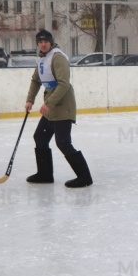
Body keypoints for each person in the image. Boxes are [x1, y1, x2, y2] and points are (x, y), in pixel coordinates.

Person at [24, 29, 92, 188]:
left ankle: (84, 177)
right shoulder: (42, 59)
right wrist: (30, 100)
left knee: (63, 142)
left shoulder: (57, 58)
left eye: (46, 41)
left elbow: (64, 84)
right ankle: (45, 174)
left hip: (62, 106)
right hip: (51, 107)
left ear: (51, 41)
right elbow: (36, 81)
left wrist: (48, 103)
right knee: (40, 137)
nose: (43, 44)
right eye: (40, 42)